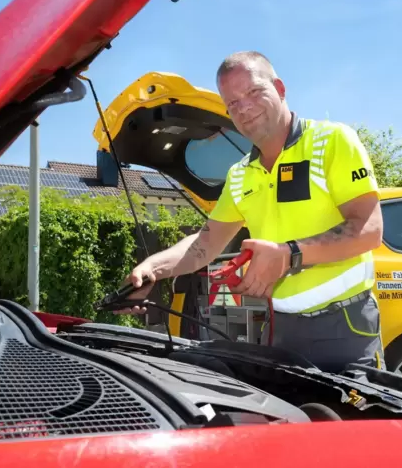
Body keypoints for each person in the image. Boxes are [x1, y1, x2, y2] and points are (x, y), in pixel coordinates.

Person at [115, 51, 385, 372]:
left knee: (351, 423)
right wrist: (153, 268)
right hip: (281, 329)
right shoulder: (240, 173)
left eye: (253, 92)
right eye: (232, 103)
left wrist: (289, 254)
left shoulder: (332, 141)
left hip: (345, 327)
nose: (243, 108)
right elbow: (205, 245)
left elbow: (369, 229)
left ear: (280, 89)